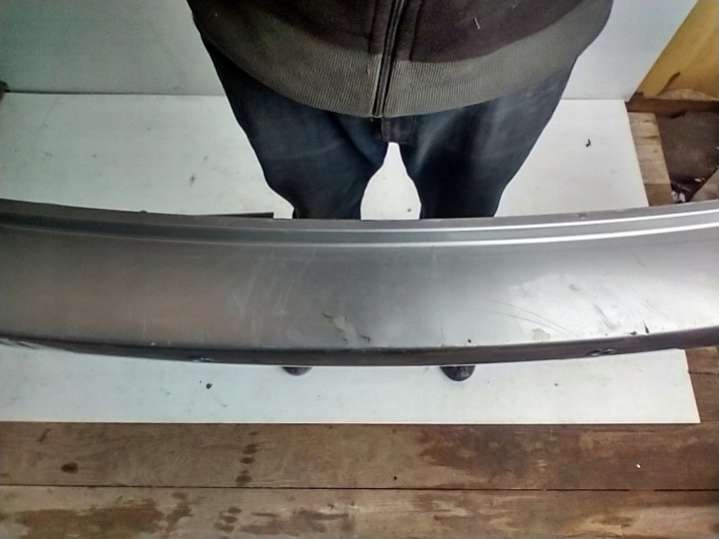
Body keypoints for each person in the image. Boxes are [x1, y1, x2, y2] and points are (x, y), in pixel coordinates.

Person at [187, 0, 613, 381]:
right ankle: (323, 280)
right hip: (278, 34)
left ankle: (451, 286)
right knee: (319, 209)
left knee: (465, 213)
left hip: (514, 41)